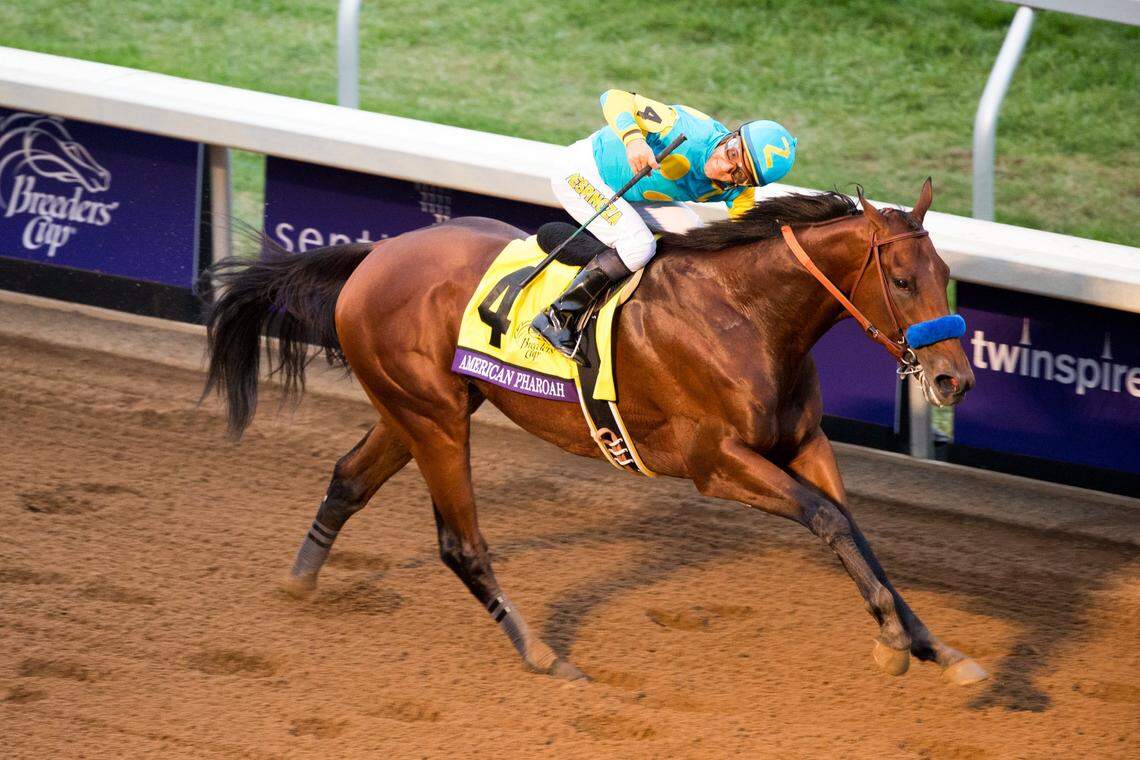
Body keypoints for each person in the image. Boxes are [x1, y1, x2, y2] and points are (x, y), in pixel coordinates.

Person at [531, 89, 797, 363]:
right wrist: (633, 139)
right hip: (582, 173)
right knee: (639, 246)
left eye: (739, 174)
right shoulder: (682, 127)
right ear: (732, 136)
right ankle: (557, 316)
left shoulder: (739, 191)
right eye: (731, 153)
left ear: (749, 183)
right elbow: (613, 96)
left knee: (694, 235)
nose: (723, 169)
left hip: (631, 194)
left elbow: (746, 239)